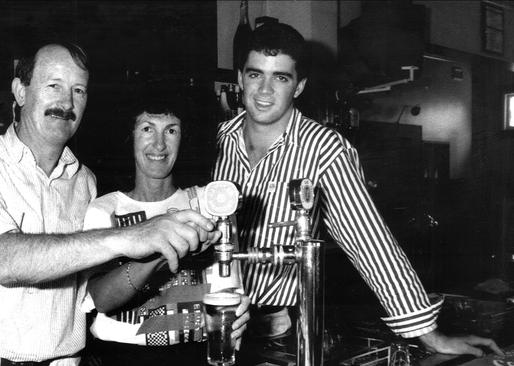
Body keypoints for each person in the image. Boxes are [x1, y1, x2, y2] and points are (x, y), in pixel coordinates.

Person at [211, 22, 503, 359]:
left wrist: (431, 335)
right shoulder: (219, 139)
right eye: (255, 74)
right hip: (217, 323)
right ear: (239, 78)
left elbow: (370, 244)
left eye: (281, 77)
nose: (264, 90)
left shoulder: (323, 149)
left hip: (283, 334)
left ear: (299, 86)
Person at [0, 42, 220, 366]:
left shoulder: (85, 183)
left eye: (78, 90)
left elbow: (89, 298)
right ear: (20, 92)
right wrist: (131, 236)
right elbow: (4, 262)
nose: (66, 102)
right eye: (54, 86)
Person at [82, 96, 250, 366]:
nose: (159, 144)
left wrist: (238, 314)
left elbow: (230, 294)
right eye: (147, 129)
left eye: (171, 130)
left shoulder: (209, 203)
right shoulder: (106, 210)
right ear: (129, 135)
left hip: (197, 356)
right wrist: (160, 250)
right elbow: (100, 299)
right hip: (121, 357)